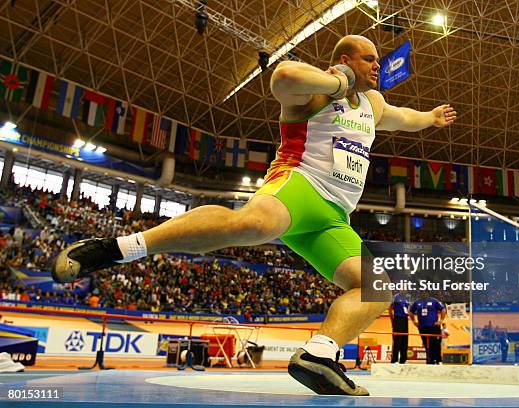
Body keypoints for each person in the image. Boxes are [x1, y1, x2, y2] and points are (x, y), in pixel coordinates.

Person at [51, 35, 456, 395]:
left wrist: (431, 119)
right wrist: (337, 83)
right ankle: (118, 248)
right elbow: (281, 78)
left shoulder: (374, 102)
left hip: (334, 217)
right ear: (346, 60)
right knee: (252, 225)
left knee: (375, 287)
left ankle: (319, 355)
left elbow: (406, 119)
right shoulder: (317, 91)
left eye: (378, 61)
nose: (377, 66)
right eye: (369, 59)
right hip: (299, 185)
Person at [409, 294, 446, 365]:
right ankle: (430, 360)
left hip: (434, 327)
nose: (424, 293)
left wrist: (441, 320)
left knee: (436, 343)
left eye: (425, 292)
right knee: (426, 344)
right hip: (423, 327)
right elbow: (411, 311)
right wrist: (414, 321)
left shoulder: (434, 300)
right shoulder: (417, 302)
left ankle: (438, 360)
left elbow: (443, 309)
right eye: (422, 292)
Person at [389, 292, 410, 364]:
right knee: (397, 340)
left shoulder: (407, 298)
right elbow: (390, 309)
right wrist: (393, 321)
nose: (404, 289)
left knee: (405, 340)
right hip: (398, 320)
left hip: (405, 320)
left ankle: (403, 360)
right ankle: (394, 360)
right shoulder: (395, 297)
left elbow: (408, 309)